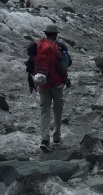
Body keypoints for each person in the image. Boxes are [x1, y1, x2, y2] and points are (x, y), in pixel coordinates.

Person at [26, 24, 72, 152]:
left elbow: (30, 64)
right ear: (56, 34)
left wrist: (31, 83)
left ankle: (44, 140)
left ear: (45, 33)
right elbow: (66, 64)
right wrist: (65, 80)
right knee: (58, 110)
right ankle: (56, 137)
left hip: (42, 83)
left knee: (44, 111)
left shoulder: (37, 46)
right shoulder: (60, 47)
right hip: (57, 84)